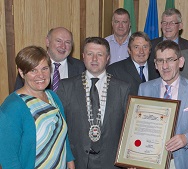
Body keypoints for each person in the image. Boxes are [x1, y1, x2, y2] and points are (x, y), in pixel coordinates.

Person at [57, 37, 131, 168]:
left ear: (108, 58)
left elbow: (129, 130)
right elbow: (59, 128)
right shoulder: (66, 87)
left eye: (100, 54)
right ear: (83, 56)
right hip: (76, 161)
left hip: (111, 163)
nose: (94, 59)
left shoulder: (123, 88)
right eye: (90, 54)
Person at [0, 46, 74, 169]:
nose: (41, 75)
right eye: (33, 70)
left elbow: (62, 135)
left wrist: (70, 162)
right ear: (22, 72)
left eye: (45, 68)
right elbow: (8, 158)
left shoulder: (53, 96)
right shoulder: (12, 107)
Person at [138, 40, 188, 169]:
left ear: (180, 62)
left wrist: (186, 138)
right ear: (155, 64)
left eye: (170, 60)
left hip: (183, 160)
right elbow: (139, 126)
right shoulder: (144, 89)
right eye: (160, 61)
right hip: (150, 159)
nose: (165, 66)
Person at [14, 27, 85, 91]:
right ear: (47, 42)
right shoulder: (32, 63)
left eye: (67, 42)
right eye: (58, 41)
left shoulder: (80, 67)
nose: (63, 46)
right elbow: (18, 94)